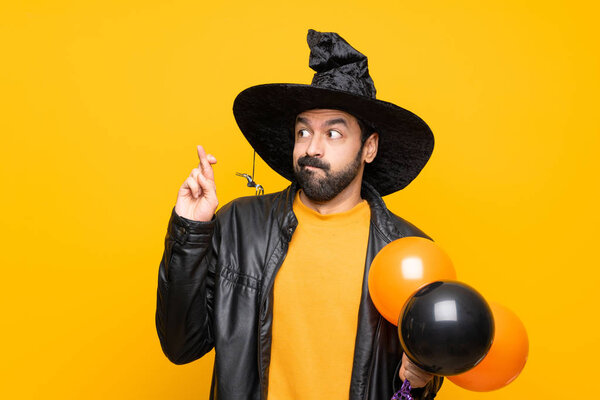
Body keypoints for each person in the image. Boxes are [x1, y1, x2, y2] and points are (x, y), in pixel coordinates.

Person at [156, 30, 443, 400]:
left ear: (369, 148)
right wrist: (191, 229)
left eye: (334, 134)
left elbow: (416, 381)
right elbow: (181, 345)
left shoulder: (408, 252)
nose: (312, 147)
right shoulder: (240, 226)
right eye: (303, 131)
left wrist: (422, 378)